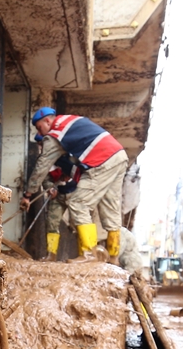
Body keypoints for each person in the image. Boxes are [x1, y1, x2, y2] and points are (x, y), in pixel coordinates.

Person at [21, 107, 128, 258]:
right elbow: (79, 159)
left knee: (78, 204)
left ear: (47, 121)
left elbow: (41, 166)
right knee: (110, 206)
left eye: (40, 128)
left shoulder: (54, 134)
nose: (40, 134)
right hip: (118, 155)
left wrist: (27, 194)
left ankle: (89, 257)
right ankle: (113, 258)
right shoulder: (70, 121)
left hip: (102, 161)